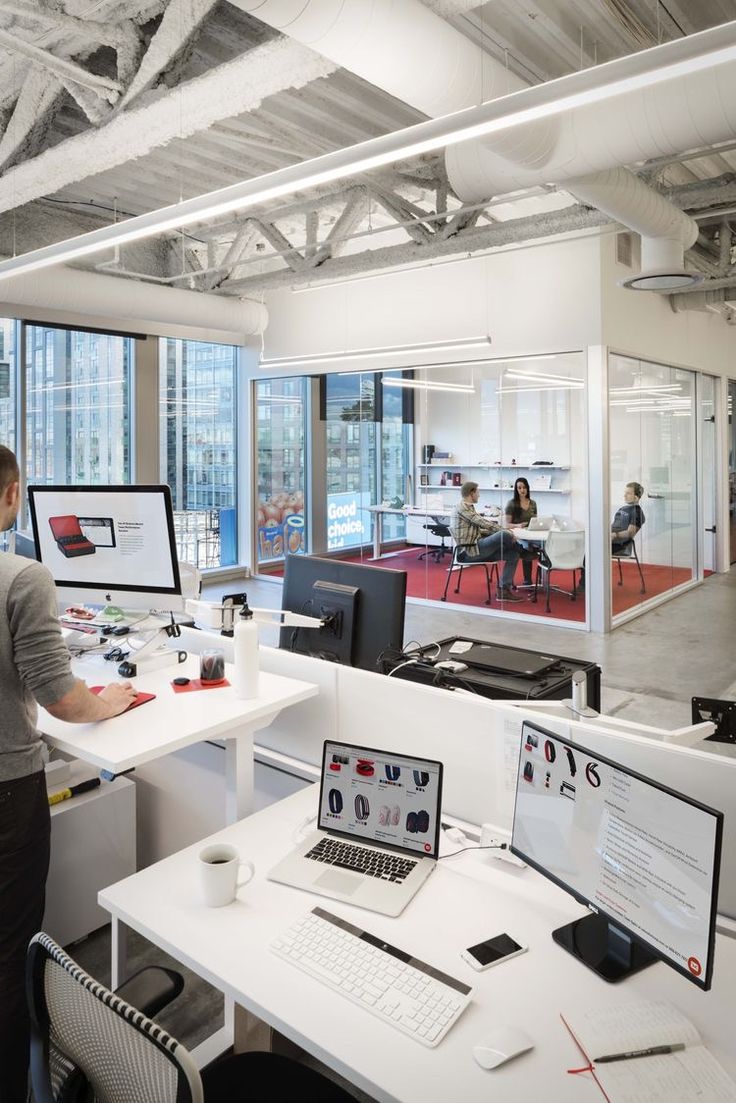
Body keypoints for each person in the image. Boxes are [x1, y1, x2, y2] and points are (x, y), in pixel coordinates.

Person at [0, 446, 138, 1103]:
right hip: (6, 788)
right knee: (10, 949)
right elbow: (60, 698)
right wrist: (106, 701)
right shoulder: (23, 579)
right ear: (12, 494)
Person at [450, 480, 522, 602]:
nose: (479, 495)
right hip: (469, 551)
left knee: (513, 554)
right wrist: (506, 532)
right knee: (504, 534)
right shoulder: (462, 508)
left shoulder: (469, 508)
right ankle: (522, 550)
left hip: (477, 547)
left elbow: (480, 529)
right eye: (477, 492)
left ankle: (503, 591)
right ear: (471, 493)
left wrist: (502, 533)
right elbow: (482, 522)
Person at [579, 481, 645, 590]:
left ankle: (586, 585)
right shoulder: (623, 509)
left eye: (628, 493)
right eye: (625, 493)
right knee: (583, 544)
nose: (624, 495)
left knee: (591, 551)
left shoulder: (637, 513)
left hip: (620, 544)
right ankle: (588, 582)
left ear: (637, 497)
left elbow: (630, 533)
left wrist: (614, 535)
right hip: (609, 538)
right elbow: (613, 526)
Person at [504, 477, 538, 586]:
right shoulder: (512, 504)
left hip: (531, 534)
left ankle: (541, 580)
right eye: (519, 488)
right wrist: (518, 525)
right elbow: (506, 525)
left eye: (524, 487)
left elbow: (536, 521)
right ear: (516, 489)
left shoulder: (533, 503)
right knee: (527, 546)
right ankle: (527, 580)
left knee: (546, 546)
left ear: (527, 488)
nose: (522, 490)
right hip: (517, 536)